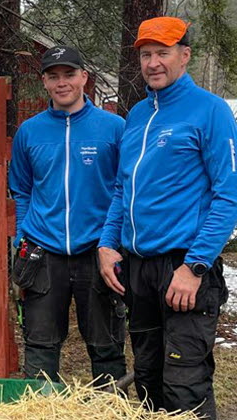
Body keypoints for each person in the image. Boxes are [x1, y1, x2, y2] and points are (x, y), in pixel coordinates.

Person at [98, 17, 236, 419]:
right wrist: (108, 244)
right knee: (149, 381)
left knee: (185, 385)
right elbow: (123, 190)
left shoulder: (209, 111)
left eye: (162, 53)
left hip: (185, 268)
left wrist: (194, 267)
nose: (153, 63)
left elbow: (228, 196)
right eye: (146, 54)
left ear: (185, 56)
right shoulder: (138, 115)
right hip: (138, 271)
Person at [9, 46, 127, 385]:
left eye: (69, 74)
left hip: (99, 250)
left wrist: (114, 242)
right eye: (54, 76)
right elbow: (22, 190)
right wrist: (22, 238)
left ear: (84, 78)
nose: (62, 83)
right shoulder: (29, 132)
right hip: (43, 251)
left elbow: (125, 188)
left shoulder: (113, 128)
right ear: (44, 81)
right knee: (40, 344)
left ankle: (108, 408)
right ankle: (40, 408)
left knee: (106, 346)